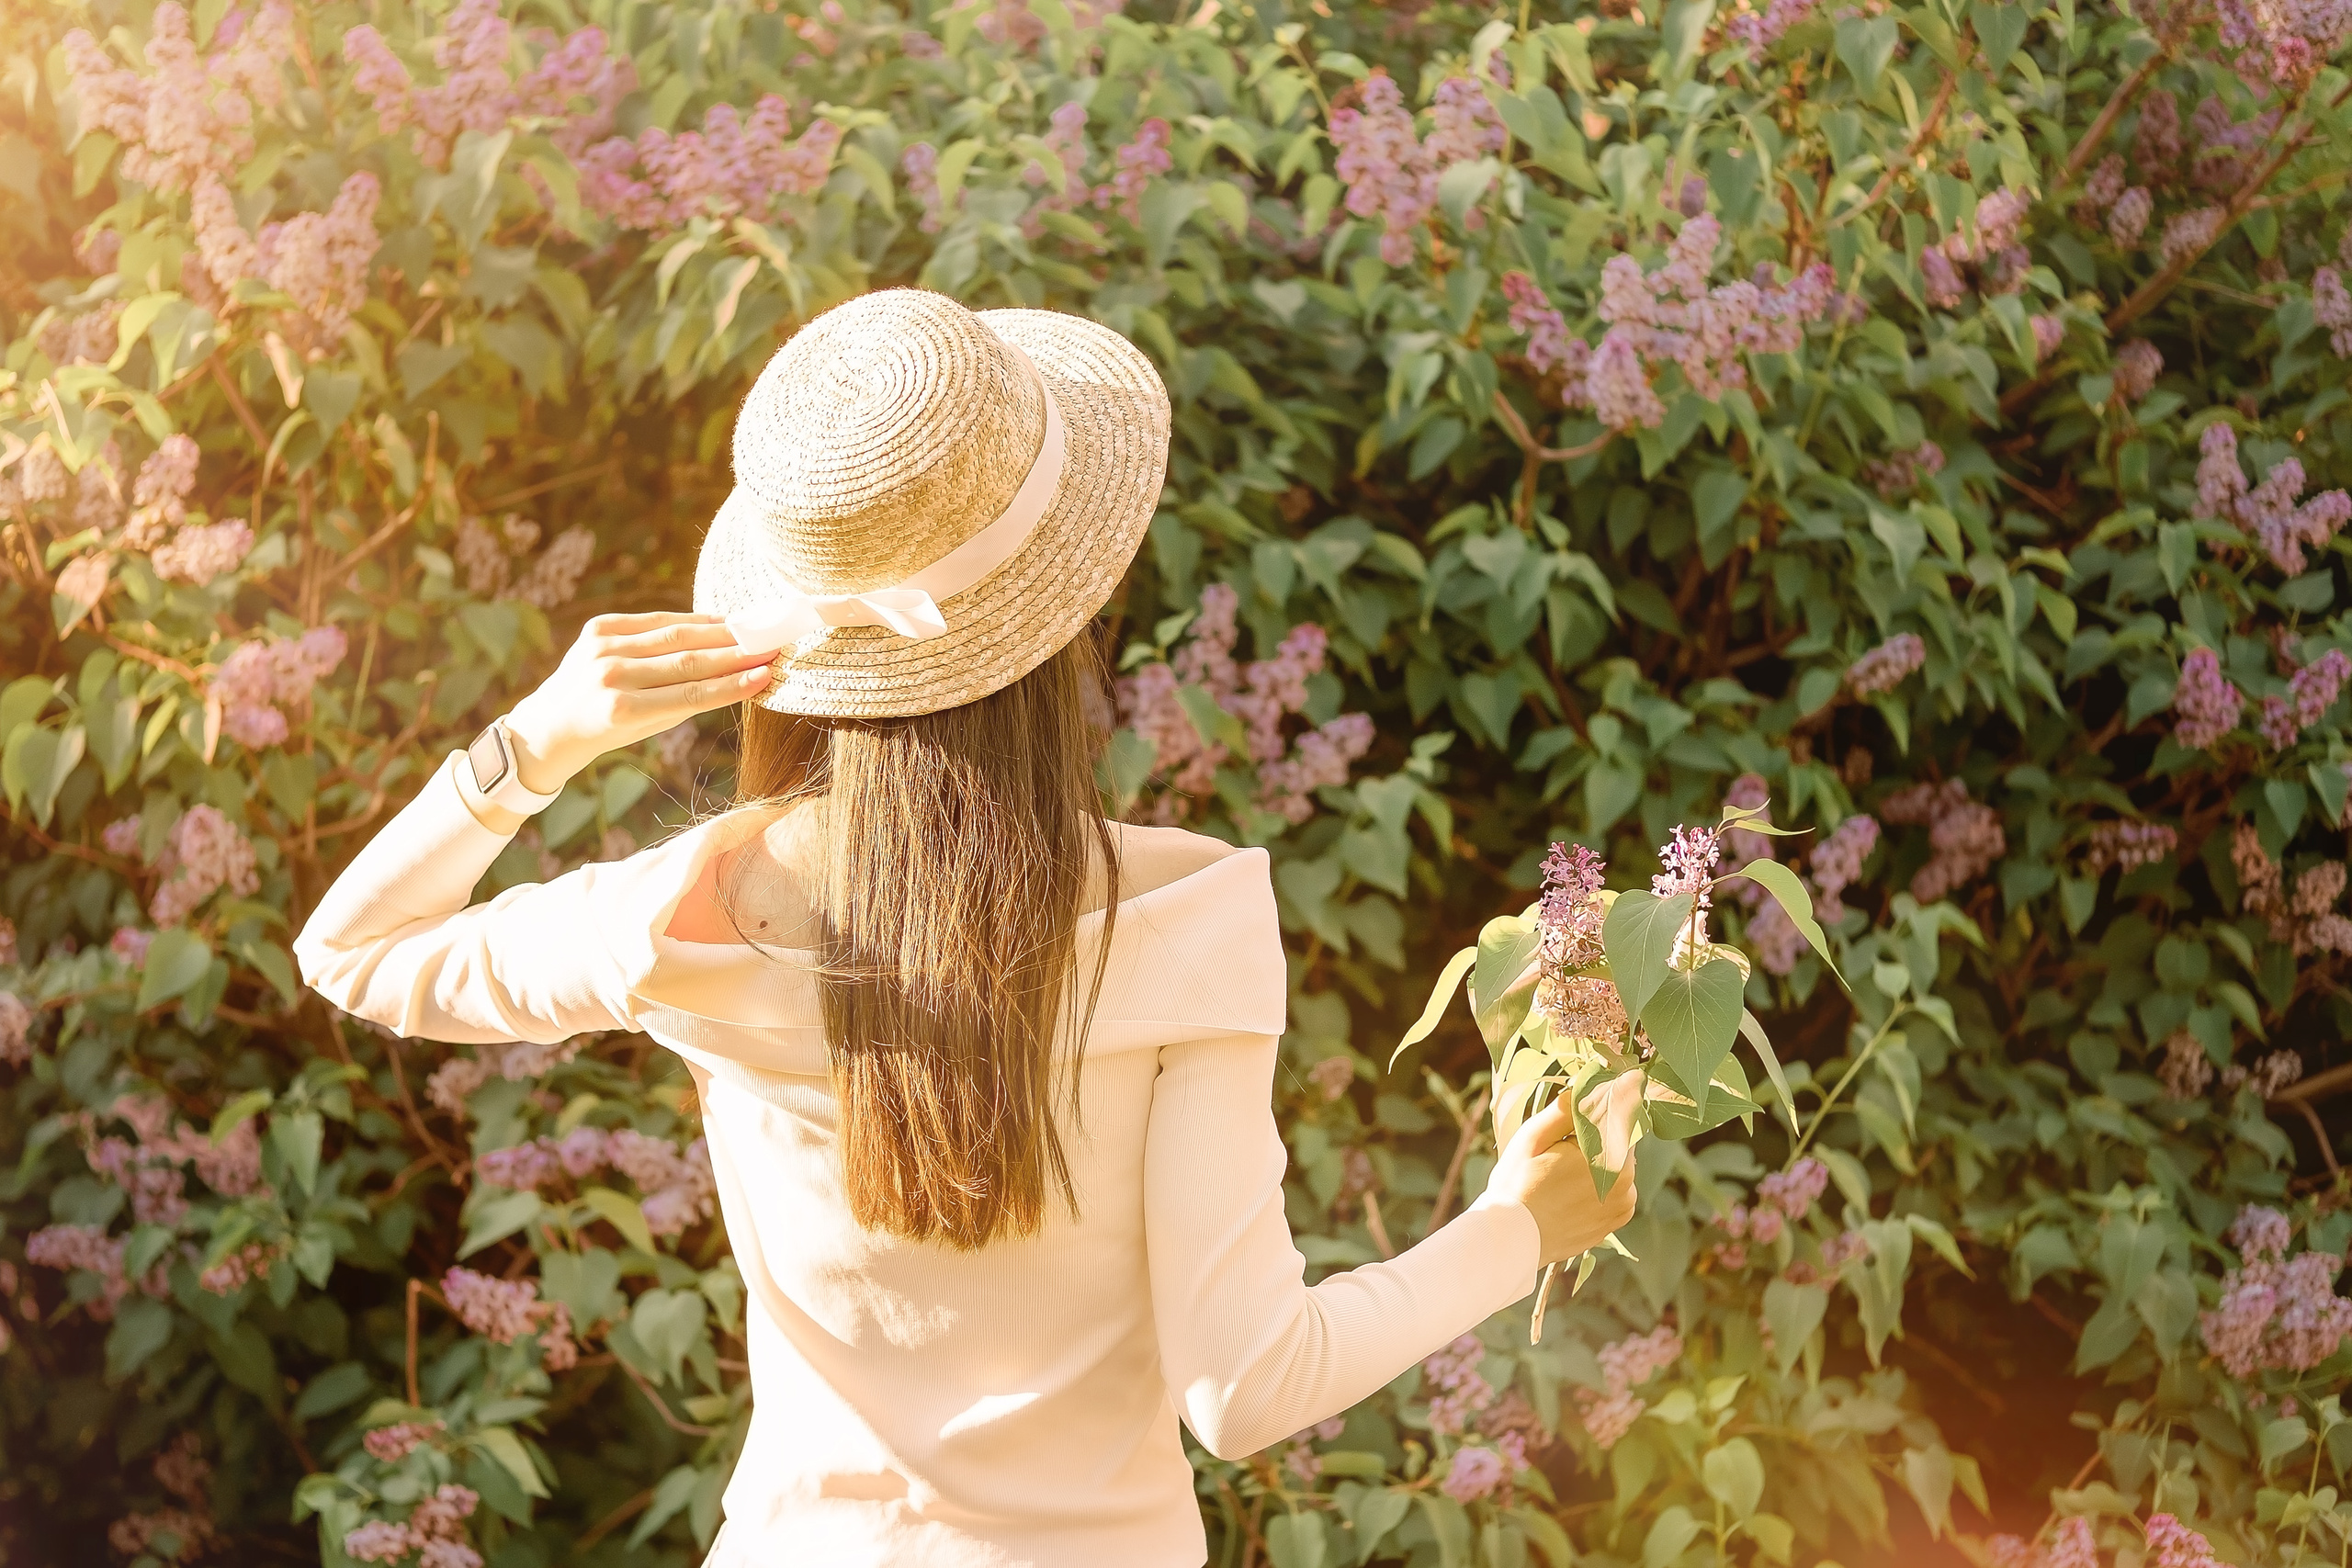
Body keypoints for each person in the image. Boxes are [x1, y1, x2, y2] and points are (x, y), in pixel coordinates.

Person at [294, 288, 1642, 1567]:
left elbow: (350, 952)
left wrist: (536, 741)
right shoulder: (1185, 921)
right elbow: (1246, 1389)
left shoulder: (683, 913)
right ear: (1076, 605)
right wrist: (1519, 1223)